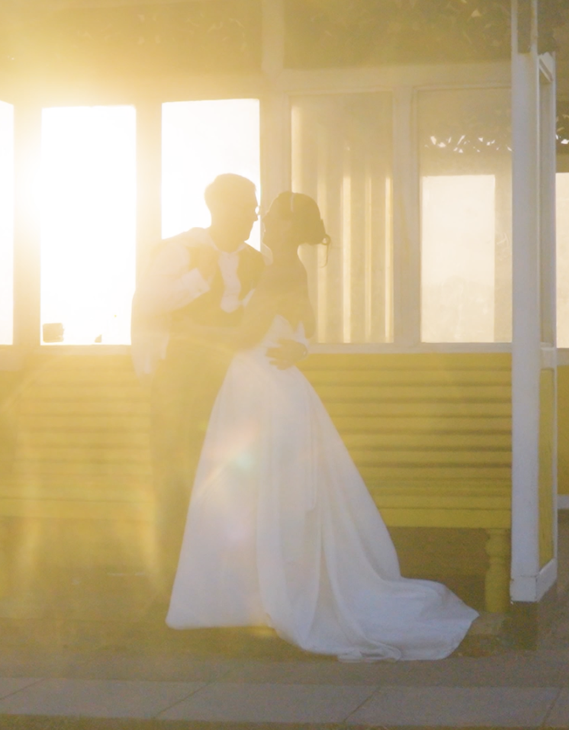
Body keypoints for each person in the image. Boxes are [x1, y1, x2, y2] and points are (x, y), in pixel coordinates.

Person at [166, 192, 479, 660]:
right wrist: (300, 349)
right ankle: (268, 595)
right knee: (268, 497)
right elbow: (304, 327)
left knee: (259, 494)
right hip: (273, 386)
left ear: (288, 227)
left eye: (270, 217)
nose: (262, 221)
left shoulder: (277, 270)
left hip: (262, 391)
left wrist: (184, 327)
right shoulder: (290, 268)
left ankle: (273, 599)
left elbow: (244, 336)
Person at [133, 174, 270, 583]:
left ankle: (218, 582)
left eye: (255, 206)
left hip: (233, 380)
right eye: (247, 206)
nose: (253, 214)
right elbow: (148, 304)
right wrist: (200, 278)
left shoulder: (255, 261)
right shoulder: (181, 250)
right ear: (219, 208)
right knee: (176, 476)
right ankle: (171, 583)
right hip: (180, 380)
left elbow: (266, 314)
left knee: (226, 477)